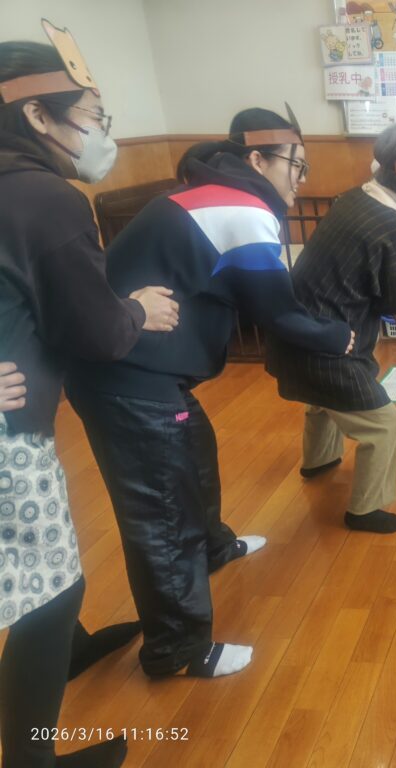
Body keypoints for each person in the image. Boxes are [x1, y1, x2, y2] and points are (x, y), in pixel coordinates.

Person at [66, 107, 354, 679]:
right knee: (162, 512)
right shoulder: (241, 209)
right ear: (258, 159)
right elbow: (277, 311)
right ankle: (176, 651)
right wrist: (336, 336)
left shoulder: (218, 193)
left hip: (146, 369)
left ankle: (214, 547)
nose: (301, 178)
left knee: (195, 454)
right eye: (295, 164)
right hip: (126, 376)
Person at [0, 27, 180, 767]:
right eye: (93, 116)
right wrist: (138, 309)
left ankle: (68, 653)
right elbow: (96, 333)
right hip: (9, 433)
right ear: (37, 115)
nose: (101, 133)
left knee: (31, 564)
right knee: (51, 589)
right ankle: (31, 760)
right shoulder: (44, 198)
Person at [266, 121, 396, 534]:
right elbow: (394, 302)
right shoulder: (390, 224)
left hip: (295, 335)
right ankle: (365, 510)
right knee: (384, 424)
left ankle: (319, 461)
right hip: (330, 346)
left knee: (322, 400)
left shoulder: (353, 198)